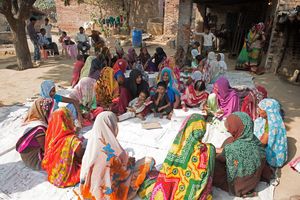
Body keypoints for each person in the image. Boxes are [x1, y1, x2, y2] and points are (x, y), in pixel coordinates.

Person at [79, 112, 155, 200]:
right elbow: (122, 172)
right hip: (110, 193)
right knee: (148, 161)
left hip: (90, 190)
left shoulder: (93, 143)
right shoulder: (110, 153)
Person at [138, 114, 215, 199]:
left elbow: (167, 168)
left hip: (168, 188)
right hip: (193, 193)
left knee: (152, 178)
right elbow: (209, 177)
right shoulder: (209, 149)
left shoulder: (178, 145)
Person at [213, 112, 265, 197]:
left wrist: (213, 151)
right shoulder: (257, 142)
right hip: (252, 183)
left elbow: (219, 159)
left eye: (230, 127)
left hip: (236, 187)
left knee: (212, 164)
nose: (228, 130)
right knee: (230, 140)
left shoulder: (232, 149)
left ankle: (239, 190)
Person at [42, 108, 84, 188]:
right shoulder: (72, 140)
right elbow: (80, 156)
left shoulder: (50, 134)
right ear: (67, 120)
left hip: (52, 174)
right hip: (66, 177)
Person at [16, 98, 55, 170]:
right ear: (42, 111)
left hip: (27, 155)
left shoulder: (32, 120)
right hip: (33, 159)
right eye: (48, 111)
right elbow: (47, 150)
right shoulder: (39, 128)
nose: (50, 114)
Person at [254, 98, 288, 168]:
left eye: (260, 110)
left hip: (273, 156)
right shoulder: (276, 118)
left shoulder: (271, 126)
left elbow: (262, 143)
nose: (258, 111)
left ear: (268, 112)